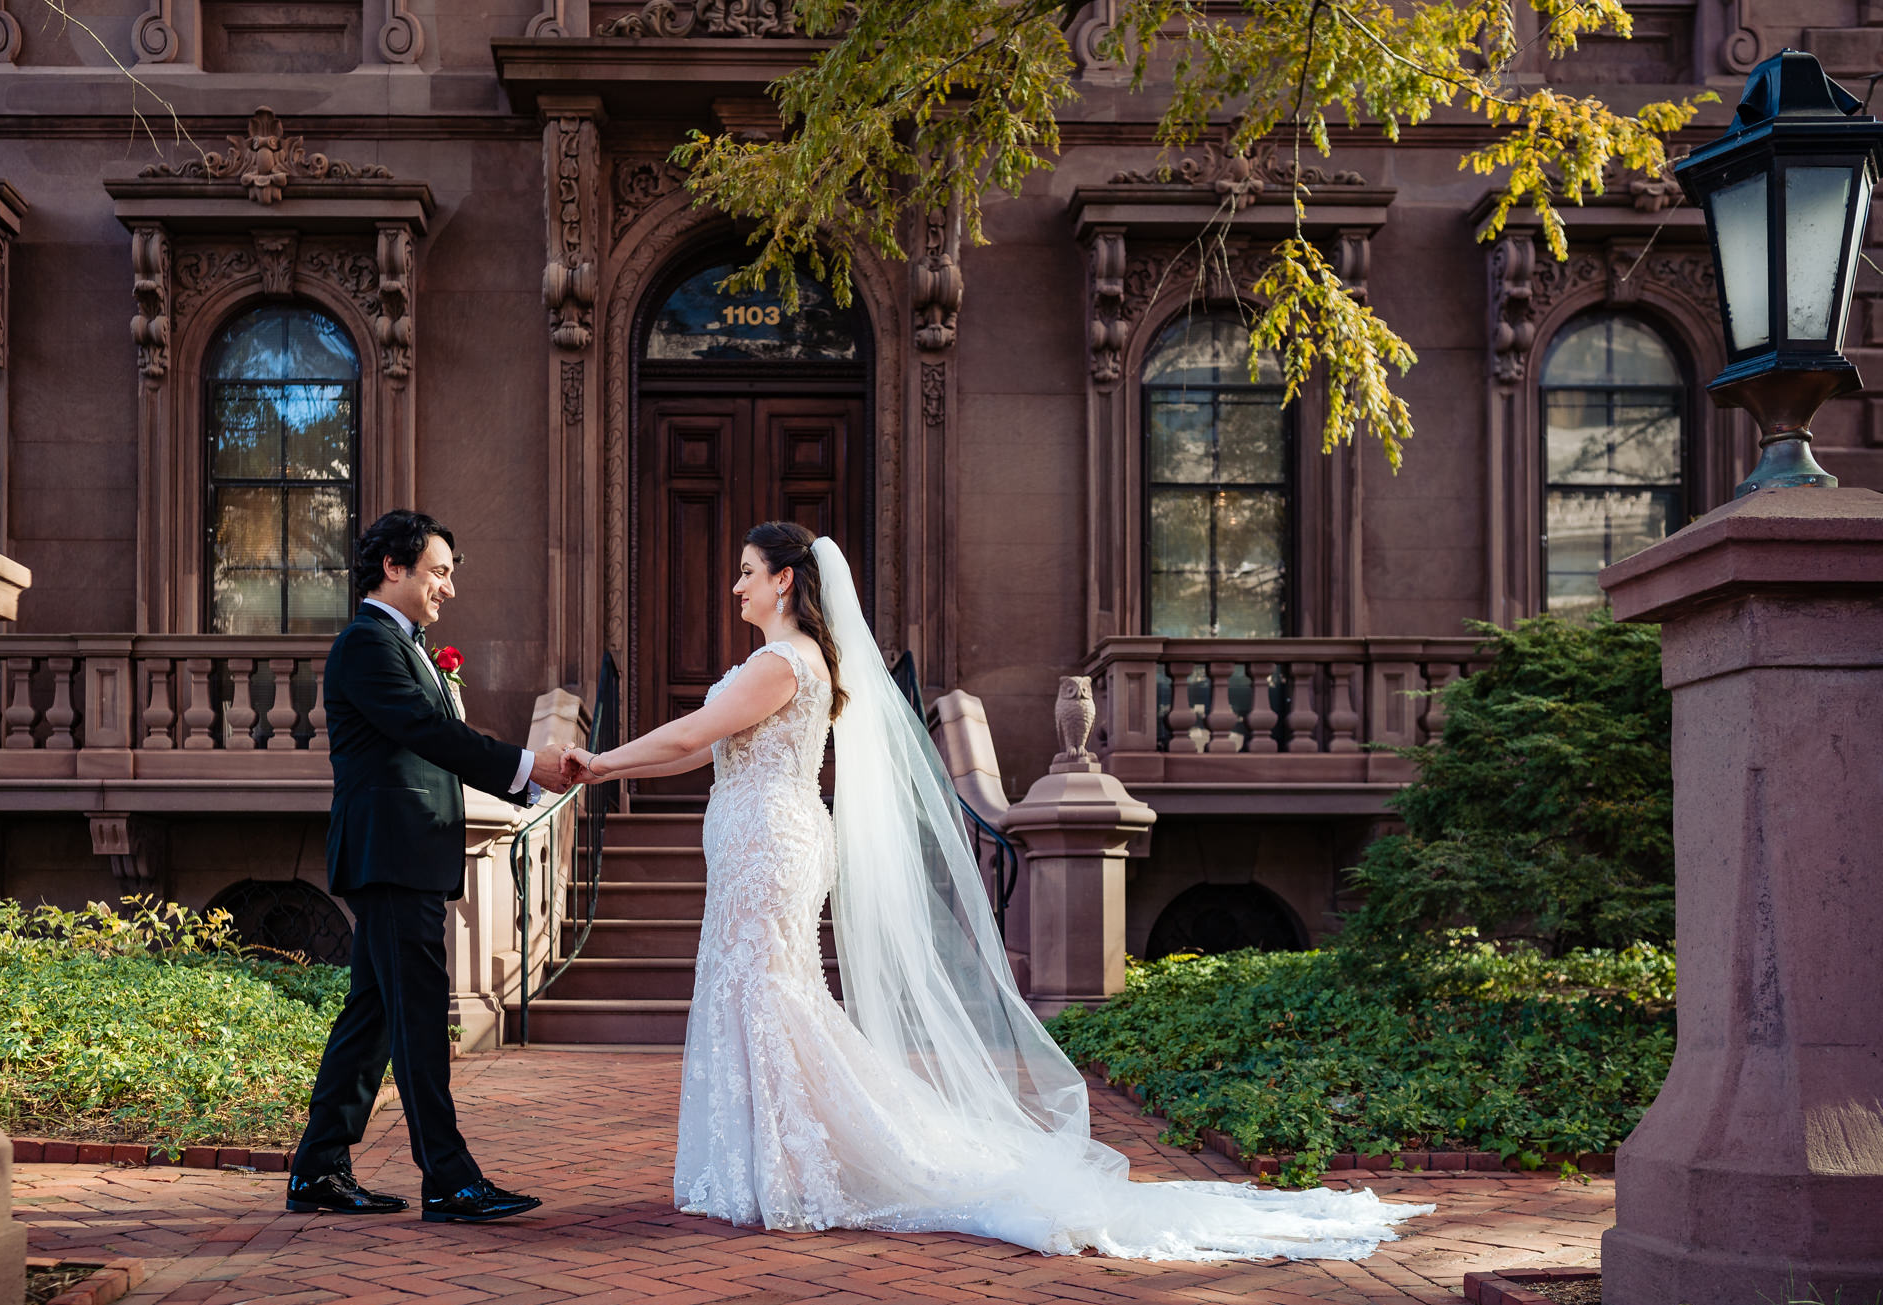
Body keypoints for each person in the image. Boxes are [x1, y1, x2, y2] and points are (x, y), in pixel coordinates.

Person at [560, 521, 1434, 1260]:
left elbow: (690, 730)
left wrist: (600, 760)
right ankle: (773, 1163)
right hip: (766, 836)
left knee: (770, 994)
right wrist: (607, 769)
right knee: (765, 991)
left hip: (770, 841)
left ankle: (796, 1166)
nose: (737, 586)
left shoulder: (783, 662)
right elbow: (687, 749)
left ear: (785, 580)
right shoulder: (790, 661)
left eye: (748, 573)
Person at [288, 510, 567, 1224]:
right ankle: (447, 1178)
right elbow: (427, 731)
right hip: (391, 854)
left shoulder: (405, 645)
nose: (447, 588)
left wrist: (522, 773)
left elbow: (429, 736)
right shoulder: (366, 644)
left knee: (374, 1015)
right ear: (394, 567)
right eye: (438, 571)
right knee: (414, 1016)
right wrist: (527, 766)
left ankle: (318, 1169)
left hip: (404, 852)